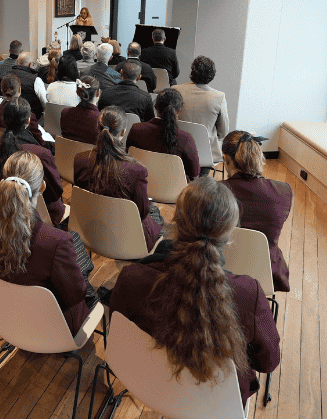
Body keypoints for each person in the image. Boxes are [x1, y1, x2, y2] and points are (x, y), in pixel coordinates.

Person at [109, 177, 281, 408]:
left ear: (176, 222)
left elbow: (119, 333)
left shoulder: (131, 277)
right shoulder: (249, 294)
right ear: (229, 235)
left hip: (148, 384)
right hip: (216, 403)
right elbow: (268, 361)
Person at [0, 151, 89, 333]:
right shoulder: (57, 241)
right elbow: (76, 294)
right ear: (42, 187)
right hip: (48, 326)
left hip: (0, 311)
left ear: (2, 184)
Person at [73, 106, 162, 251]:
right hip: (127, 234)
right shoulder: (136, 171)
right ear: (123, 132)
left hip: (91, 226)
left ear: (97, 127)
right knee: (154, 212)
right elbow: (142, 212)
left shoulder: (80, 159)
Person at [220, 130, 293, 292]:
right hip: (265, 273)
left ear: (226, 159)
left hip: (219, 268)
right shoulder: (283, 191)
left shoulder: (214, 191)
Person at [0, 98, 64, 225]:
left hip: (1, 207)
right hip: (37, 215)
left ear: (4, 119)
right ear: (28, 121)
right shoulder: (41, 153)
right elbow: (56, 192)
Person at [127, 89, 200, 181]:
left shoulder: (136, 129)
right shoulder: (185, 138)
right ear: (179, 110)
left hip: (139, 183)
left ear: (156, 107)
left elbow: (128, 157)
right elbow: (195, 172)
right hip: (173, 191)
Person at [174, 56, 229, 164]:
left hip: (177, 153)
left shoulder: (175, 91)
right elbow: (223, 132)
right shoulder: (219, 97)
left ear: (192, 71)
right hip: (205, 156)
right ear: (212, 75)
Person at [0, 75, 45, 145]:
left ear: (1, 90)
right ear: (19, 89)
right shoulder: (27, 114)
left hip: (0, 145)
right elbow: (39, 140)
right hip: (23, 149)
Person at [59, 76, 101, 144]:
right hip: (90, 154)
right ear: (98, 93)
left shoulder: (65, 113)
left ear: (77, 92)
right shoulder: (100, 120)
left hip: (65, 153)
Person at [10, 52, 46, 118]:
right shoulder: (36, 80)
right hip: (31, 117)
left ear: (17, 62)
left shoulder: (7, 75)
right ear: (30, 64)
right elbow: (45, 103)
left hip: (10, 114)